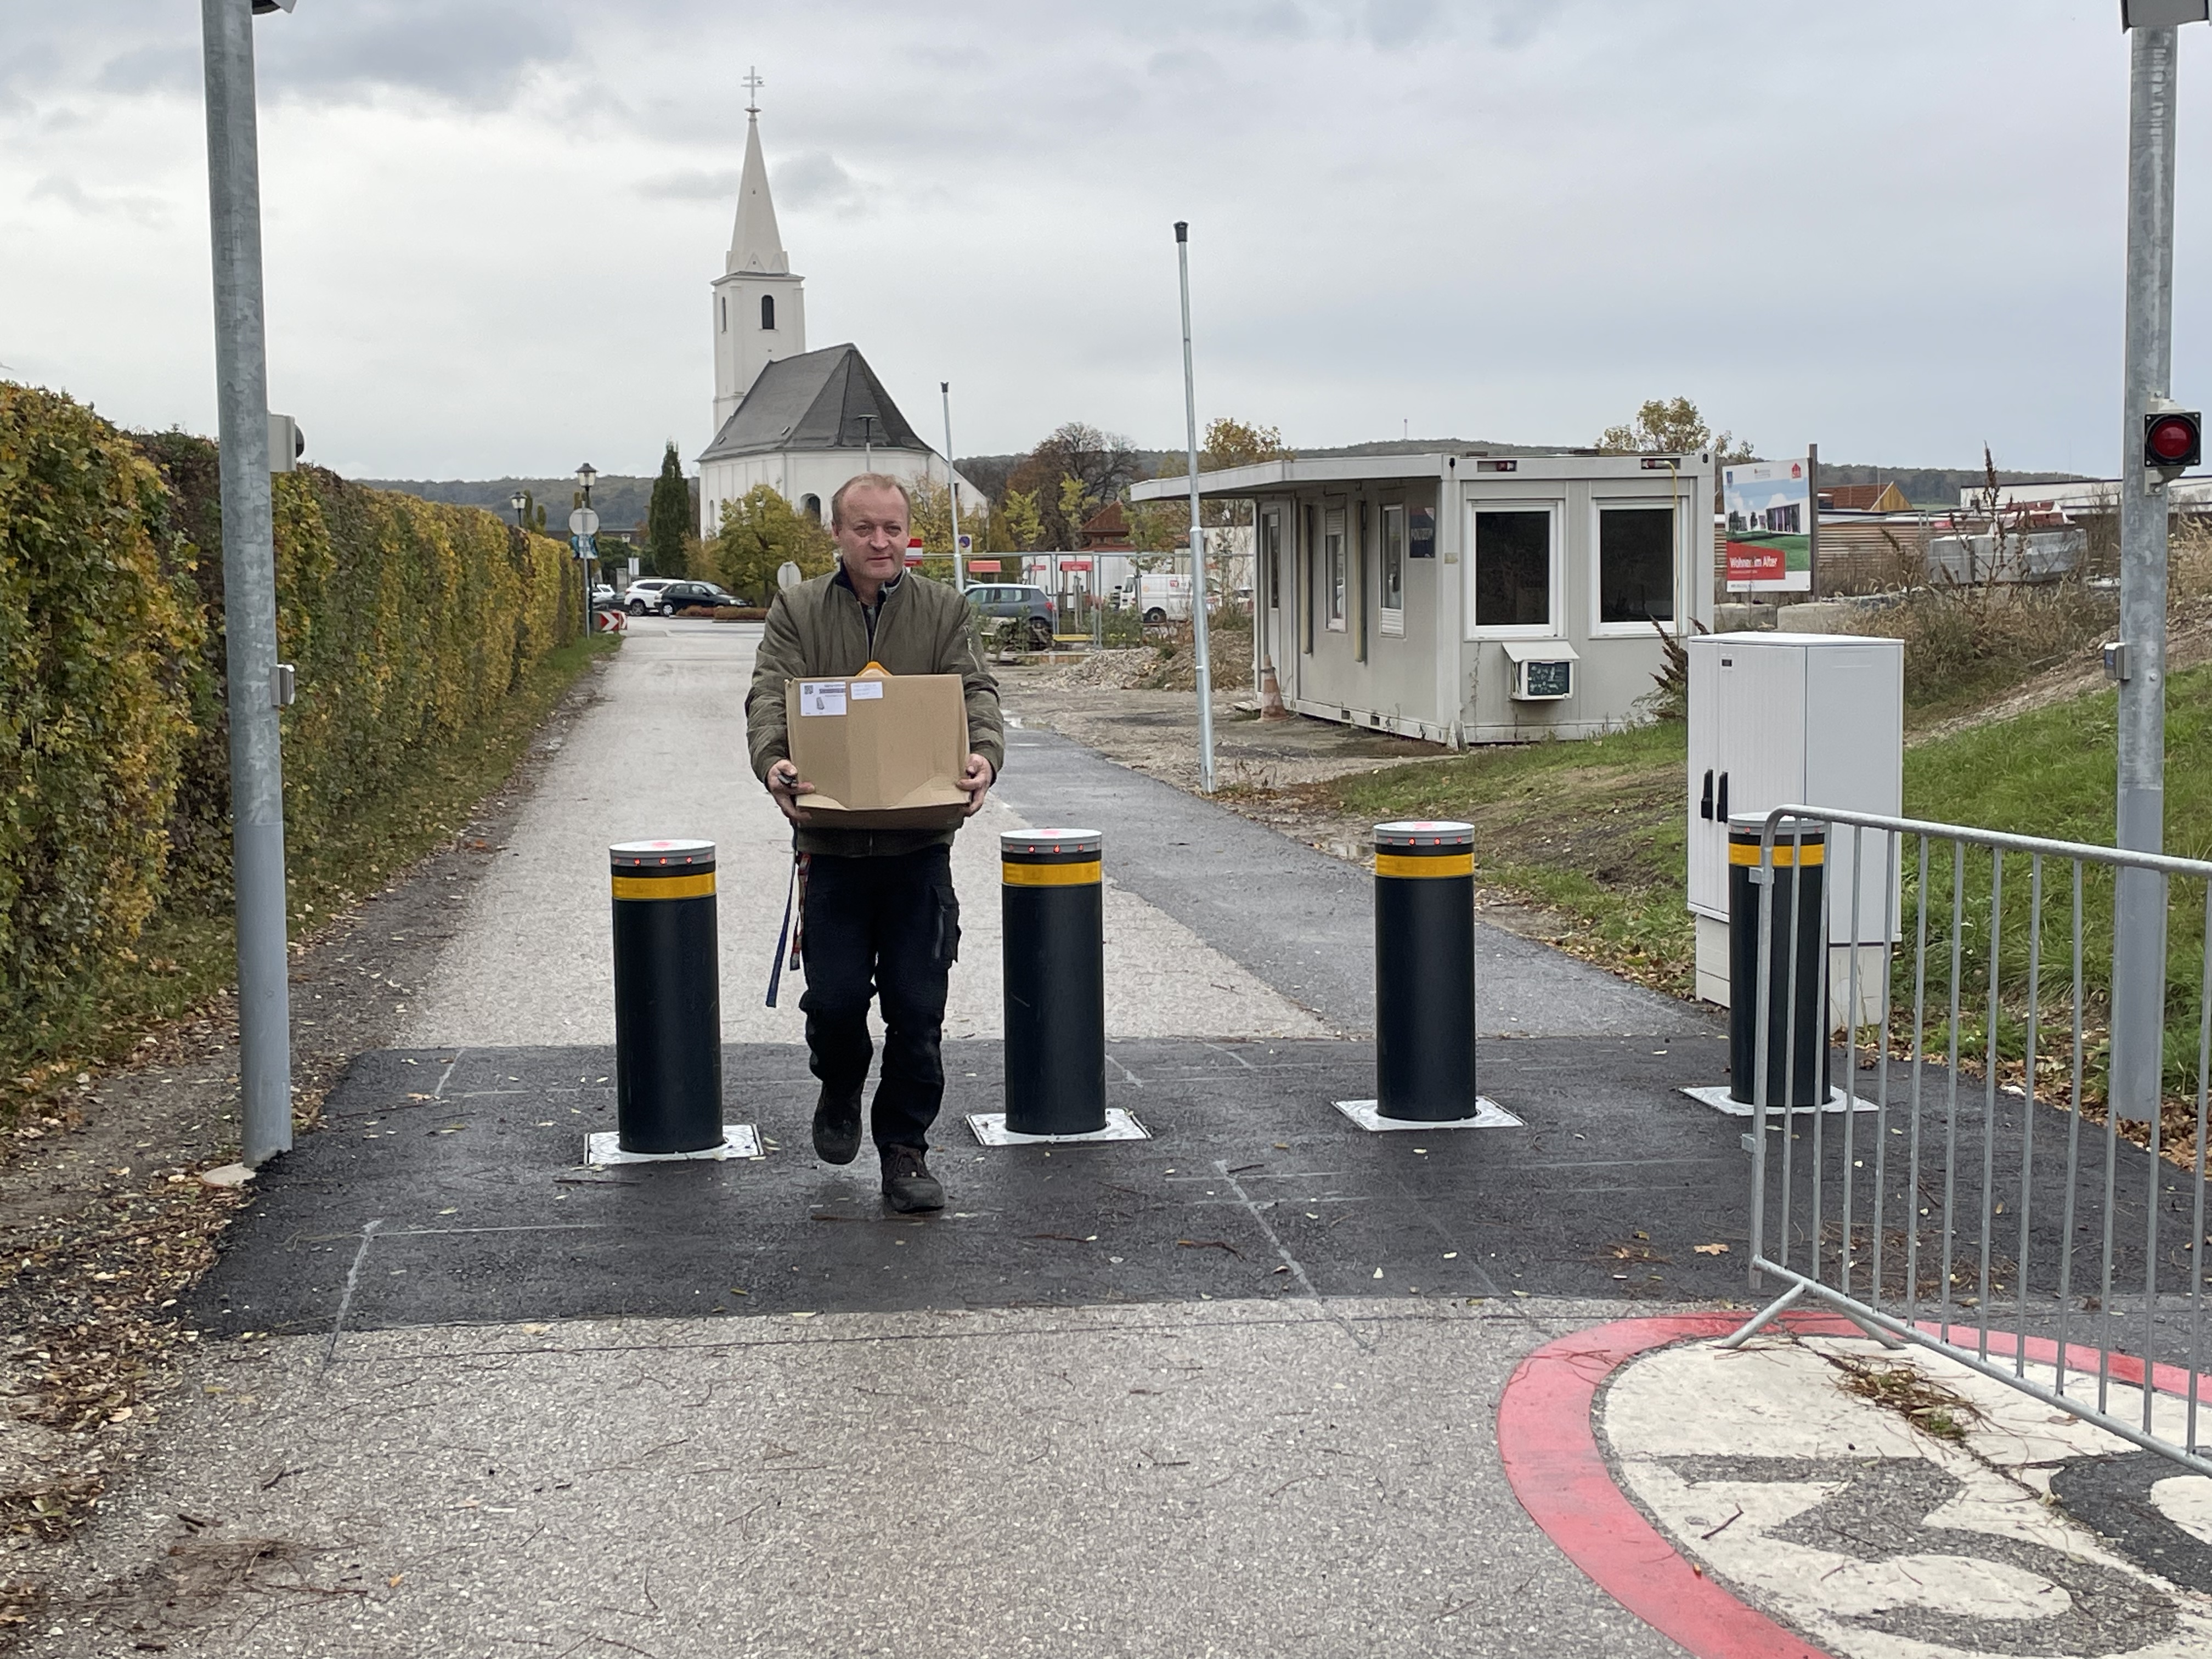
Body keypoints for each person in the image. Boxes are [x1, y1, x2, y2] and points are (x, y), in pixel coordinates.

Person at [745, 474, 1001, 1212]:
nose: (881, 542)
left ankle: (905, 1152)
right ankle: (839, 1079)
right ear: (837, 533)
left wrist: (985, 753)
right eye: (865, 529)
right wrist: (774, 759)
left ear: (907, 532)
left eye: (893, 528)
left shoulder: (944, 609)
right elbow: (770, 694)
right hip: (831, 852)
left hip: (920, 852)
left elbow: (976, 692)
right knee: (833, 1003)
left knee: (918, 1013)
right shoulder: (797, 611)